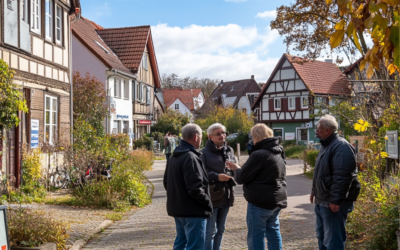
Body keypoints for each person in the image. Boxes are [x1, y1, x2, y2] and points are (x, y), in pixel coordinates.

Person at [226, 123, 287, 250]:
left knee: (256, 236)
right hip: (276, 199)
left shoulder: (259, 154)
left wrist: (237, 169)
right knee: (273, 232)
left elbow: (241, 178)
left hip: (260, 202)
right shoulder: (278, 151)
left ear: (256, 137)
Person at [310, 115, 360, 250]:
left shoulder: (341, 146)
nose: (316, 131)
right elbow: (321, 172)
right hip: (322, 201)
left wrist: (336, 200)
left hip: (332, 203)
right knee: (322, 239)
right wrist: (314, 191)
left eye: (319, 128)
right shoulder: (326, 145)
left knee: (333, 242)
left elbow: (342, 176)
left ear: (328, 131)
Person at [163, 124, 212, 250]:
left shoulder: (174, 156)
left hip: (178, 209)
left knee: (180, 243)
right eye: (201, 137)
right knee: (194, 246)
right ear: (196, 137)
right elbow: (195, 188)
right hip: (193, 211)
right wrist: (208, 203)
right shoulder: (190, 157)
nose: (201, 140)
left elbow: (166, 182)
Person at [200, 123, 236, 250]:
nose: (222, 136)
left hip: (227, 196)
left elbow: (234, 167)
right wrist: (216, 176)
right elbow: (202, 174)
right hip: (212, 196)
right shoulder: (203, 153)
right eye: (218, 134)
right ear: (210, 137)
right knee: (210, 231)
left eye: (224, 133)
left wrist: (234, 171)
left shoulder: (229, 150)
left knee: (221, 230)